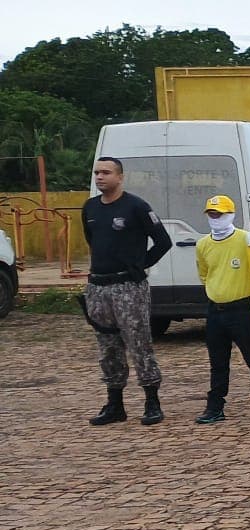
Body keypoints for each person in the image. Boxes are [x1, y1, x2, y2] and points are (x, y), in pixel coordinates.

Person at [82, 156, 174, 426]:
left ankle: (152, 401)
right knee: (107, 347)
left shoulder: (136, 206)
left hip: (128, 287)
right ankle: (114, 404)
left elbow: (163, 242)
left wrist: (139, 265)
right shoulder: (90, 208)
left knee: (139, 343)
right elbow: (93, 242)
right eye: (97, 172)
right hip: (99, 286)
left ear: (120, 177)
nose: (100, 177)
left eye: (106, 173)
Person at [194, 195, 250, 425]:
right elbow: (204, 273)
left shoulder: (244, 239)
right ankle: (215, 406)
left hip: (243, 309)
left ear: (230, 215)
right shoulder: (203, 244)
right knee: (218, 363)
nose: (215, 218)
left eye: (219, 214)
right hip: (216, 311)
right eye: (211, 214)